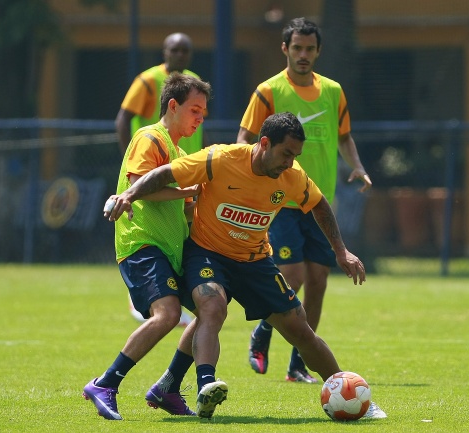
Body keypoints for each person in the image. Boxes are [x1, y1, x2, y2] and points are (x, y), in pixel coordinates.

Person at [104, 112, 387, 420]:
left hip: (255, 261)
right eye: (286, 154)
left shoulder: (292, 176)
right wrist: (128, 194)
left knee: (300, 331)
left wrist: (341, 251)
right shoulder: (220, 158)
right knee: (211, 306)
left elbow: (318, 204)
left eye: (295, 156)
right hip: (208, 253)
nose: (290, 162)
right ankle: (206, 385)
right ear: (264, 143)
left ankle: (349, 391)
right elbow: (165, 173)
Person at [236, 17, 372, 383]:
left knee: (318, 280)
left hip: (319, 201)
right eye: (297, 48)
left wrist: (358, 167)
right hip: (279, 199)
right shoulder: (268, 90)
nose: (303, 55)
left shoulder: (333, 91)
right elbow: (244, 138)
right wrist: (246, 178)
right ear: (285, 48)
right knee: (292, 275)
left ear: (318, 51)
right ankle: (263, 330)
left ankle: (298, 363)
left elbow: (344, 137)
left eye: (310, 49)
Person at [82, 73, 212, 420]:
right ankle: (105, 384)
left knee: (210, 310)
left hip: (170, 250)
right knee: (168, 315)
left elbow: (184, 206)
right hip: (142, 242)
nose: (201, 118)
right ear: (173, 106)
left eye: (204, 112)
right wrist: (189, 191)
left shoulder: (180, 152)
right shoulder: (149, 137)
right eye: (195, 110)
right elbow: (139, 185)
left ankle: (169, 386)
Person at [115, 31, 202, 326]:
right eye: (174, 50)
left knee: (181, 237)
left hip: (184, 163)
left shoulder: (194, 82)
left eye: (184, 51)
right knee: (149, 236)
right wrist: (131, 164)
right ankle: (152, 299)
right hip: (153, 167)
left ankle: (171, 302)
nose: (179, 55)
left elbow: (198, 128)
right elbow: (123, 119)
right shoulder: (148, 80)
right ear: (164, 52)